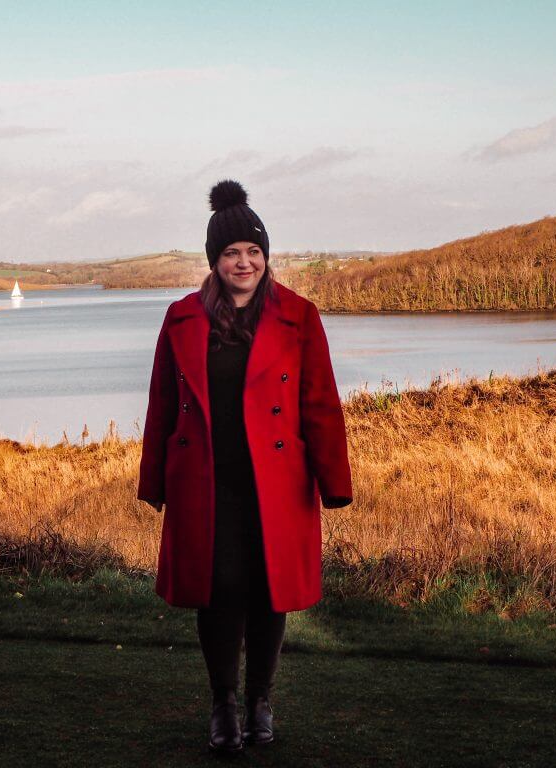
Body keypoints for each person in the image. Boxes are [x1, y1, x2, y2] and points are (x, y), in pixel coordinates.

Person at [137, 179, 353, 755]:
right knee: (218, 591)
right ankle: (224, 705)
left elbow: (320, 402)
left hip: (277, 482)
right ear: (214, 260)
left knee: (267, 590)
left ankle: (261, 700)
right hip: (205, 481)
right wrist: (152, 479)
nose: (244, 262)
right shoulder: (181, 318)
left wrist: (334, 481)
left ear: (266, 256)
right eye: (232, 253)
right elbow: (161, 402)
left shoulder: (298, 317)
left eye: (254, 252)